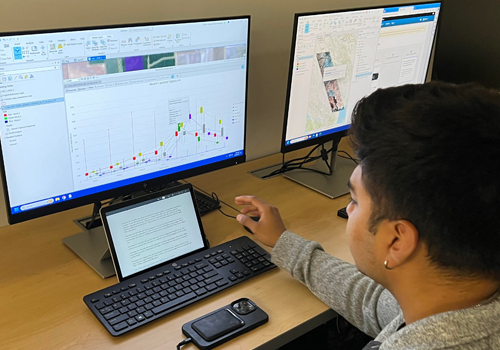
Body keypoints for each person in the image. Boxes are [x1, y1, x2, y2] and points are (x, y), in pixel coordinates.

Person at [235, 82, 500, 349]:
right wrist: (285, 242)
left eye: (354, 201)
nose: (348, 210)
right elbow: (373, 302)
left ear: (397, 241)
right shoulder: (469, 300)